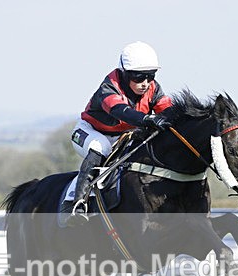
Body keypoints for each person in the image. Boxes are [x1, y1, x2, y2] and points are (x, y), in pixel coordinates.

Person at [64, 41, 174, 226]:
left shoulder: (153, 88)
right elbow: (120, 110)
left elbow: (169, 110)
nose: (145, 83)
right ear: (124, 73)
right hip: (90, 131)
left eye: (150, 76)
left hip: (124, 135)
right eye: (139, 77)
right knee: (101, 147)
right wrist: (148, 120)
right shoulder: (109, 87)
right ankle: (78, 204)